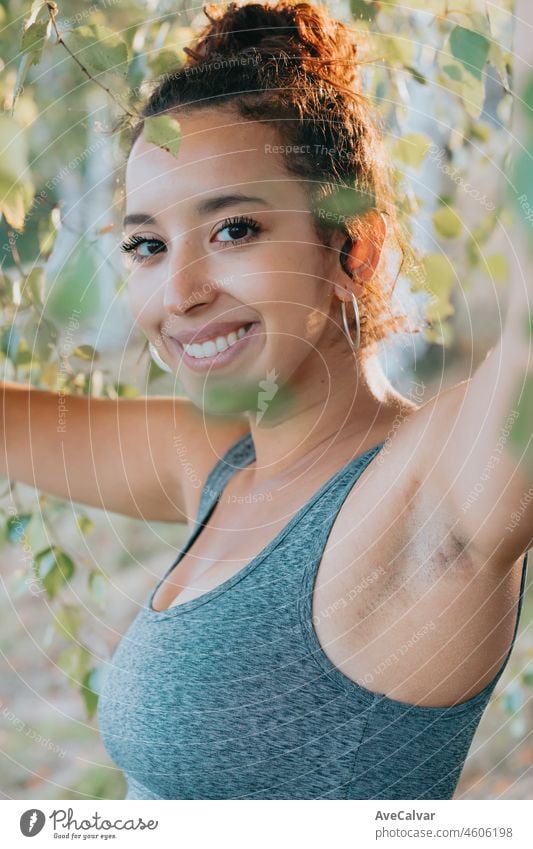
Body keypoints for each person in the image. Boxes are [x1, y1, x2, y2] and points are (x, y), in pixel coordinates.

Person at [2, 0, 530, 800]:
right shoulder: (218, 466)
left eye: (234, 229)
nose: (178, 292)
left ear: (351, 245)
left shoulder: (429, 493)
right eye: (147, 245)